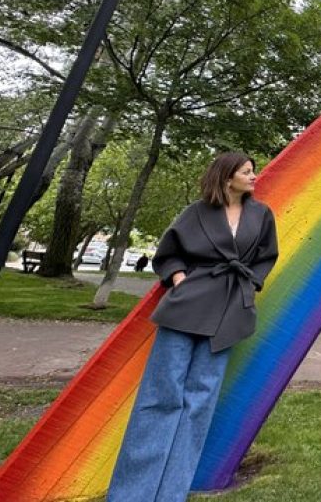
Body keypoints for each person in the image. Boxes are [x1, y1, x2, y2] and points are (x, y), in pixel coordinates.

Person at [107, 152, 278, 502]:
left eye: (252, 171)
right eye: (246, 172)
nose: (253, 176)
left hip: (230, 310)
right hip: (187, 307)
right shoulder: (196, 212)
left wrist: (250, 284)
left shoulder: (261, 214)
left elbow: (266, 256)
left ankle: (171, 494)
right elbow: (167, 253)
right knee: (161, 397)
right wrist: (180, 278)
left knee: (199, 403)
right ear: (227, 177)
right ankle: (131, 494)